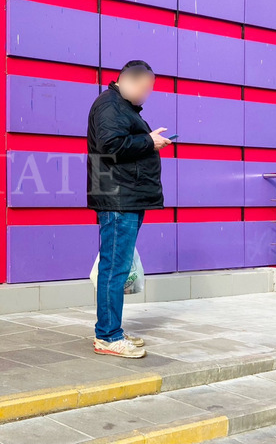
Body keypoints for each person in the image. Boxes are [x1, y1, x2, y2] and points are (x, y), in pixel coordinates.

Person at [86, 60, 172, 359]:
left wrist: (148, 140)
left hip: (126, 197)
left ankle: (113, 330)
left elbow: (121, 142)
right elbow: (111, 146)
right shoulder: (110, 106)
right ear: (127, 81)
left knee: (118, 267)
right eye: (144, 88)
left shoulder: (122, 107)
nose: (146, 94)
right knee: (114, 268)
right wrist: (149, 141)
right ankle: (107, 336)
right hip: (118, 198)